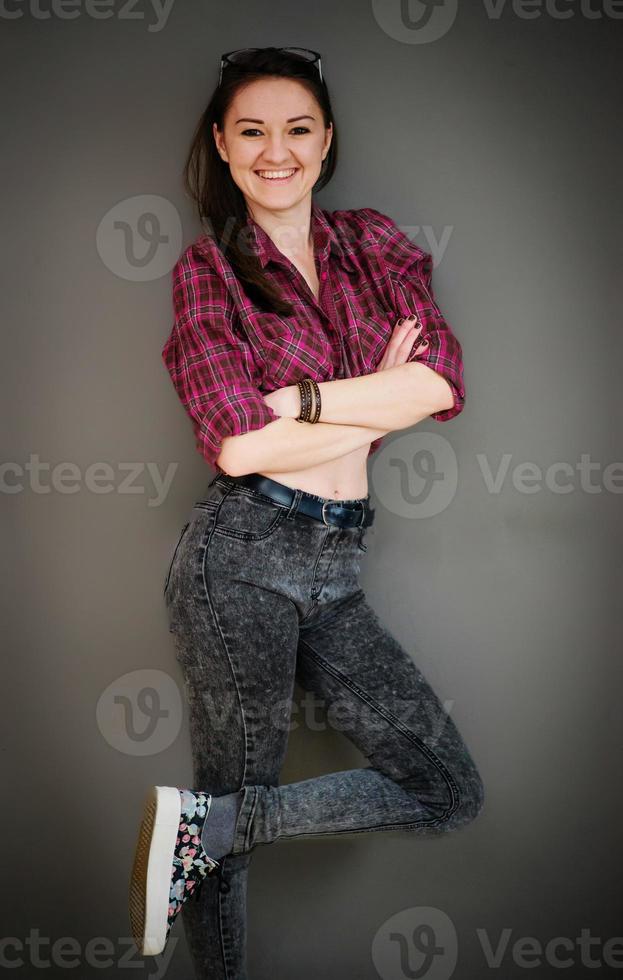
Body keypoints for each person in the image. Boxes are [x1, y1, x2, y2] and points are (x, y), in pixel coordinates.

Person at [128, 46, 484, 979]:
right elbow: (238, 447)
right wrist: (374, 388)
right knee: (231, 798)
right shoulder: (209, 273)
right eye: (251, 131)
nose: (274, 150)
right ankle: (214, 857)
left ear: (324, 141)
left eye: (296, 129)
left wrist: (298, 400)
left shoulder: (372, 244)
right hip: (240, 551)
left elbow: (440, 383)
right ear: (223, 144)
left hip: (337, 564)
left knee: (444, 788)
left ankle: (206, 829)